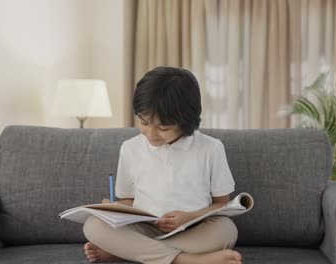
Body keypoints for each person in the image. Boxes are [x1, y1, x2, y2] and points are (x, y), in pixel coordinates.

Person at [83, 66, 242, 264]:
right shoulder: (130, 148)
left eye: (163, 127)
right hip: (145, 229)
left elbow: (222, 203)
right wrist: (114, 208)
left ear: (186, 122)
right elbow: (127, 200)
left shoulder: (211, 149)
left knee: (226, 230)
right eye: (144, 122)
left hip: (193, 229)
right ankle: (185, 260)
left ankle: (128, 252)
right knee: (93, 226)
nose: (151, 134)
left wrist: (189, 217)